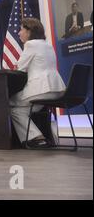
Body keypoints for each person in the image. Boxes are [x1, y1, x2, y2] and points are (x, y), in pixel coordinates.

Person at [10, 18, 66, 148]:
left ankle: (33, 138)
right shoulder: (47, 44)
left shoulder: (31, 44)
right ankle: (39, 139)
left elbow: (20, 68)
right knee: (18, 111)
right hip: (56, 91)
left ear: (29, 31)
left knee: (5, 102)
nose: (19, 33)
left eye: (21, 29)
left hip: (40, 91)